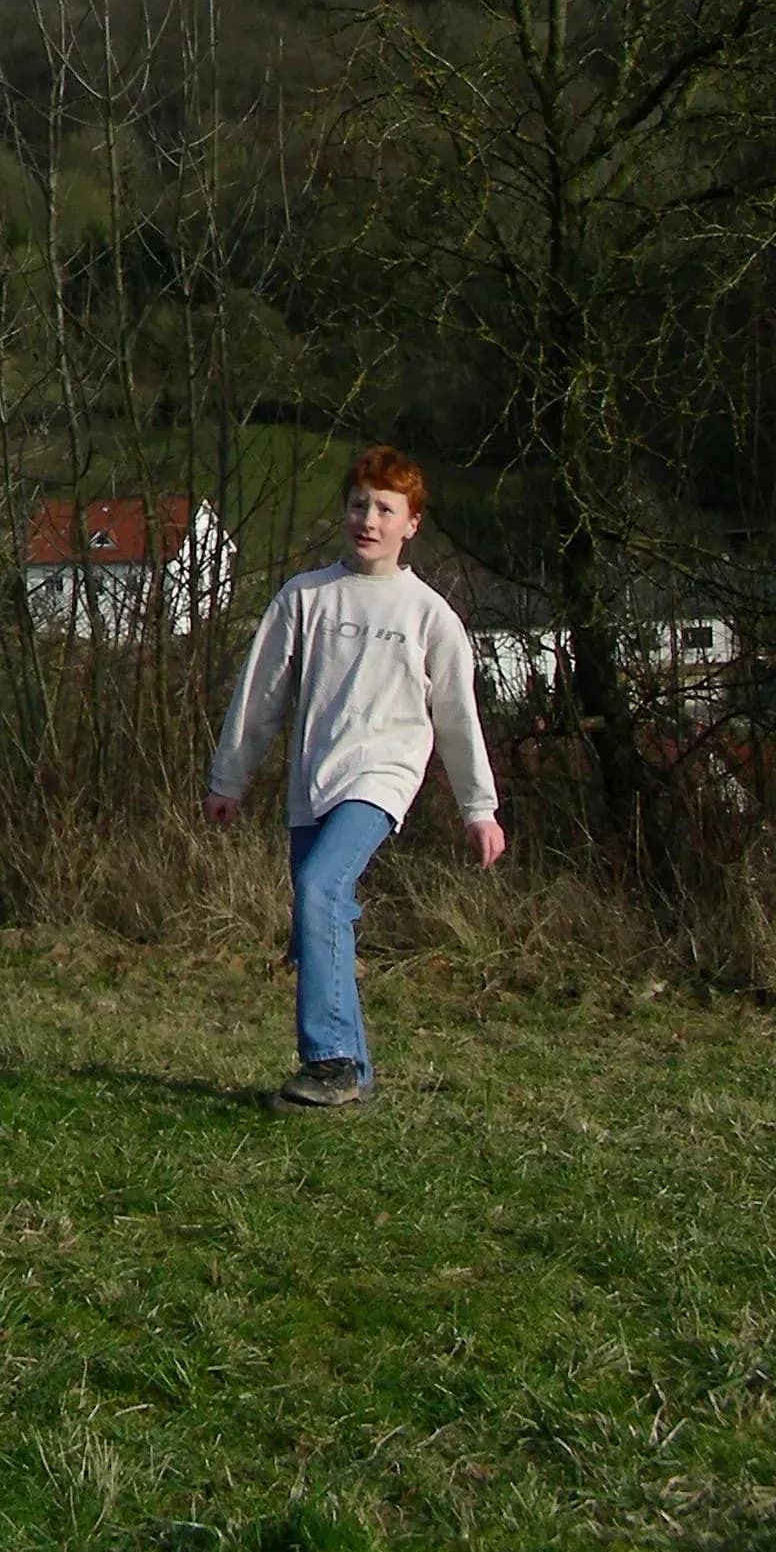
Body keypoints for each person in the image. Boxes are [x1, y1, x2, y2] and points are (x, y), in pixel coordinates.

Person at [204, 444, 505, 1111]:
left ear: (411, 524)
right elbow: (259, 697)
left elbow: (458, 719)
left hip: (382, 778)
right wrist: (230, 777)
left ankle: (329, 1059)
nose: (368, 518)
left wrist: (477, 809)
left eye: (385, 509)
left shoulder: (429, 617)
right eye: (359, 504)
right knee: (322, 912)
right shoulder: (304, 597)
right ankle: (358, 1074)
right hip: (314, 779)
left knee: (319, 886)